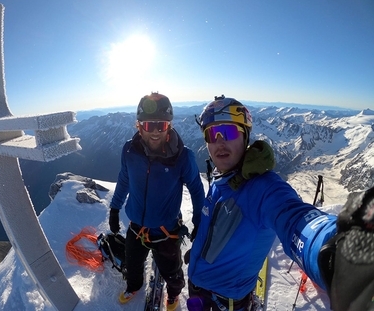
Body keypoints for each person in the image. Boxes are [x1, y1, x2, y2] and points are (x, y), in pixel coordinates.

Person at [186, 95, 374, 311]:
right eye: (211, 133)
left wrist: (335, 244)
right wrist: (199, 252)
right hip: (199, 290)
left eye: (228, 132)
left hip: (224, 302)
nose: (219, 141)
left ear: (245, 136)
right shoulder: (222, 178)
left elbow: (295, 218)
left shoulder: (263, 188)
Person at [109, 92, 205, 311]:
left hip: (166, 230)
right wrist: (114, 209)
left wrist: (199, 222)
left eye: (160, 126)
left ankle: (173, 295)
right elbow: (124, 179)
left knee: (172, 272)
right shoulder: (129, 151)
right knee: (132, 265)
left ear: (168, 126)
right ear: (139, 126)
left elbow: (197, 191)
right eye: (148, 125)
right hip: (136, 227)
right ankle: (134, 286)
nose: (154, 131)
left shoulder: (183, 156)